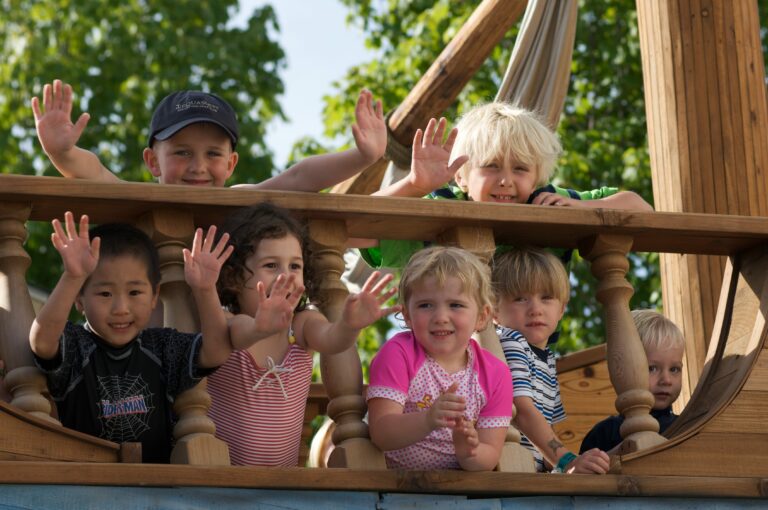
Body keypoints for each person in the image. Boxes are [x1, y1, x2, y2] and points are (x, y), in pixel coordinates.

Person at [29, 212, 235, 463]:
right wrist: (73, 277)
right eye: (105, 294)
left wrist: (205, 290)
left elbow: (216, 351)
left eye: (135, 292)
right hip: (84, 484)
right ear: (80, 299)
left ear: (154, 296)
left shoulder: (161, 347)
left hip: (156, 485)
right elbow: (42, 341)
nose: (121, 308)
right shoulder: (76, 345)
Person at [207, 203, 399, 466]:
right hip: (222, 480)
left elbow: (332, 340)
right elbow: (239, 335)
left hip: (283, 483)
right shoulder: (229, 321)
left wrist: (349, 326)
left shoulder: (301, 324)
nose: (286, 276)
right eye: (271, 265)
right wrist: (261, 327)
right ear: (233, 277)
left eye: (295, 266)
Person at [358, 102, 653, 269]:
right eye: (491, 166)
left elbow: (641, 209)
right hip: (453, 364)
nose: (506, 180)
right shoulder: (445, 206)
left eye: (521, 169)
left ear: (537, 178)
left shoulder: (547, 202)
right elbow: (359, 228)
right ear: (461, 177)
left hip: (531, 367)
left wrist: (580, 208)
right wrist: (412, 185)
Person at [31, 79, 386, 191]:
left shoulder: (238, 199)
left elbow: (299, 176)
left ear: (231, 163)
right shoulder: (138, 200)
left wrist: (362, 158)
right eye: (182, 152)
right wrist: (62, 154)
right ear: (152, 161)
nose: (198, 166)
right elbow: (93, 173)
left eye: (213, 154)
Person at [367, 246, 512, 471]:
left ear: (482, 316)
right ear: (407, 315)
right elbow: (381, 432)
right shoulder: (398, 353)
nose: (441, 317)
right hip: (395, 485)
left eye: (456, 305)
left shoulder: (495, 374)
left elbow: (490, 455)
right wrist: (427, 420)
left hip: (460, 490)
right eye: (426, 305)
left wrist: (469, 452)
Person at [492, 246, 609, 474]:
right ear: (494, 310)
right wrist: (566, 461)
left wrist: (557, 465)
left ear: (562, 309)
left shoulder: (546, 358)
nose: (535, 309)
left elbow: (547, 428)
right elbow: (522, 412)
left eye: (546, 298)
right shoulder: (509, 341)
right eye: (520, 298)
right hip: (506, 466)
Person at [579, 309, 684, 454]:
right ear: (619, 370)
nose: (666, 380)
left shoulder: (687, 427)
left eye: (674, 369)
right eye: (652, 368)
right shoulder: (603, 435)